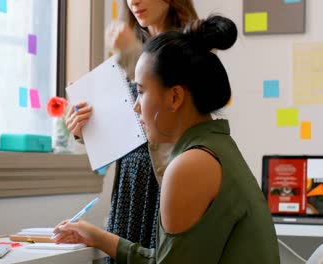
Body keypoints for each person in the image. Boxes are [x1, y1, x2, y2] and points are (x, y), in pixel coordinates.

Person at [55, 16, 280, 263]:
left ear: (174, 97)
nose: (136, 107)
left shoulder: (189, 166)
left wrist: (100, 238)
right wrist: (98, 237)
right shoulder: (217, 146)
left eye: (141, 92)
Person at [65, 1, 199, 259]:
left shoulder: (192, 45)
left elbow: (177, 113)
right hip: (130, 179)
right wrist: (84, 128)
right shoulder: (130, 47)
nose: (134, 1)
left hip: (169, 176)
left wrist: (132, 54)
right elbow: (128, 124)